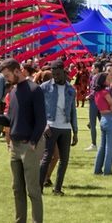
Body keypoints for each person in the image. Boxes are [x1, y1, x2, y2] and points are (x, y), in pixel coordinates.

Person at [0, 60, 46, 223]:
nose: (6, 79)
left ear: (18, 71)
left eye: (8, 75)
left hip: (28, 146)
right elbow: (10, 120)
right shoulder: (14, 91)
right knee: (17, 189)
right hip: (15, 146)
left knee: (33, 190)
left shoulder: (35, 90)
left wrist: (33, 142)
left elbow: (41, 120)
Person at [41, 66, 77, 195]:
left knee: (64, 160)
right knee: (47, 157)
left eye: (58, 74)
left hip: (66, 128)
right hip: (51, 126)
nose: (55, 76)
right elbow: (38, 108)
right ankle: (38, 188)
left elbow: (73, 111)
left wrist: (75, 131)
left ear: (64, 73)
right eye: (53, 74)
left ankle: (57, 189)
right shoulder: (45, 87)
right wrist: (44, 125)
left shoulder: (70, 89)